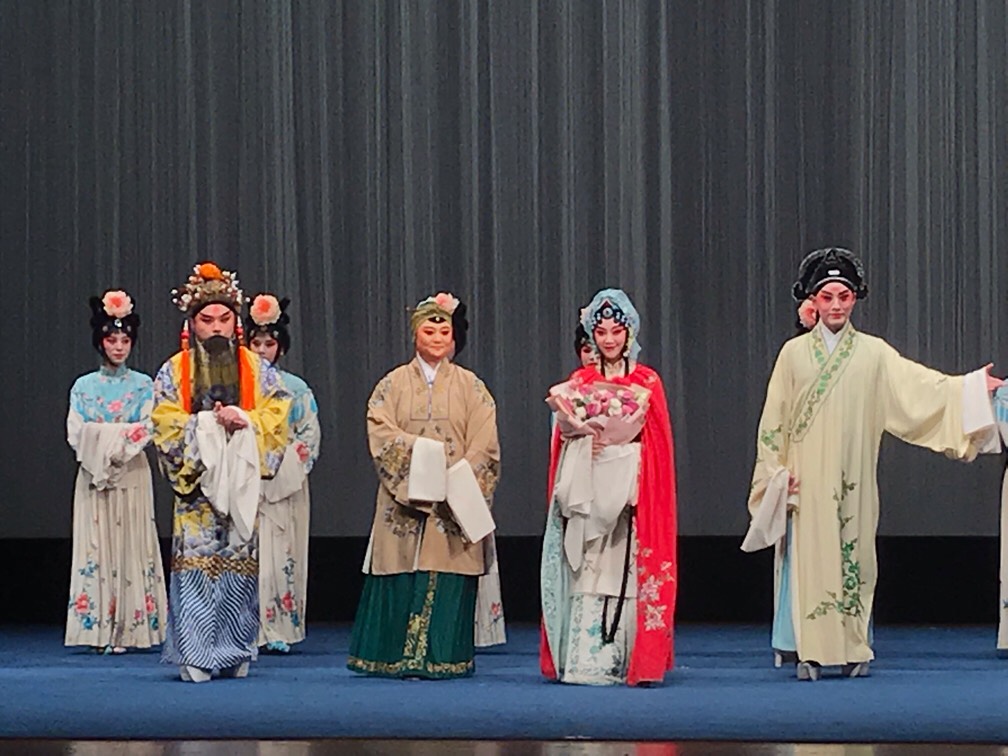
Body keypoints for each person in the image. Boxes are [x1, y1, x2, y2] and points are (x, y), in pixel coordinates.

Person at [744, 247, 1002, 681]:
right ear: (812, 301)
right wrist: (774, 473)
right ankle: (812, 649)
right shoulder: (793, 354)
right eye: (827, 297)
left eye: (844, 296)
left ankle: (853, 644)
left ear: (855, 299)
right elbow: (775, 420)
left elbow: (921, 387)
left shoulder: (873, 353)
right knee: (811, 558)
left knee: (855, 555)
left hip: (855, 474)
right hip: (806, 477)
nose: (836, 305)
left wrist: (972, 389)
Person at [348, 292, 500, 679]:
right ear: (415, 334)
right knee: (400, 568)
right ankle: (393, 658)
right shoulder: (391, 385)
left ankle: (443, 658)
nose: (436, 337)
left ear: (454, 337)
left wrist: (458, 477)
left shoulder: (472, 386)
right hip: (404, 499)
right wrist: (424, 459)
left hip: (454, 497)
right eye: (428, 331)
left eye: (443, 331)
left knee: (448, 569)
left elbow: (485, 442)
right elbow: (381, 431)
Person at [151, 262, 291, 682]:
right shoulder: (174, 370)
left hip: (241, 483)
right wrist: (208, 426)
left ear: (236, 322)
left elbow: (277, 413)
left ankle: (235, 648)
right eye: (206, 319)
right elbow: (164, 422)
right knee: (196, 567)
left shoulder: (258, 370)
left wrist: (244, 420)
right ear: (192, 324)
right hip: (197, 490)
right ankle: (195, 653)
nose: (216, 327)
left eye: (224, 319)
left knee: (238, 565)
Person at [540, 288, 678, 686]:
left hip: (632, 489)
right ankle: (586, 660)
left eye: (617, 331)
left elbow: (659, 445)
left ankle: (630, 659)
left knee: (626, 569)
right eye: (601, 332)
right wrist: (584, 442)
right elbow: (563, 438)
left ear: (629, 332)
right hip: (590, 489)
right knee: (589, 568)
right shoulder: (580, 381)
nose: (609, 339)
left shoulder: (647, 381)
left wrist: (630, 456)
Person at [65, 290, 167, 653]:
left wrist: (112, 445)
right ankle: (98, 629)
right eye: (112, 340)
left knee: (131, 547)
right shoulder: (83, 387)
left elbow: (148, 427)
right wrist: (112, 442)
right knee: (96, 546)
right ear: (100, 341)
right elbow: (76, 433)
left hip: (131, 472)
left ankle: (131, 628)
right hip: (94, 475)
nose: (119, 347)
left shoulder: (144, 385)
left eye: (125, 340)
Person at [246, 293, 321, 654]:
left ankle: (280, 627)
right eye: (256, 344)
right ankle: (245, 627)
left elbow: (309, 436)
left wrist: (280, 467)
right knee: (248, 557)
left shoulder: (296, 389)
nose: (263, 351)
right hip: (245, 482)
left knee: (282, 558)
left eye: (269, 344)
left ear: (281, 347)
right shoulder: (238, 387)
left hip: (286, 483)